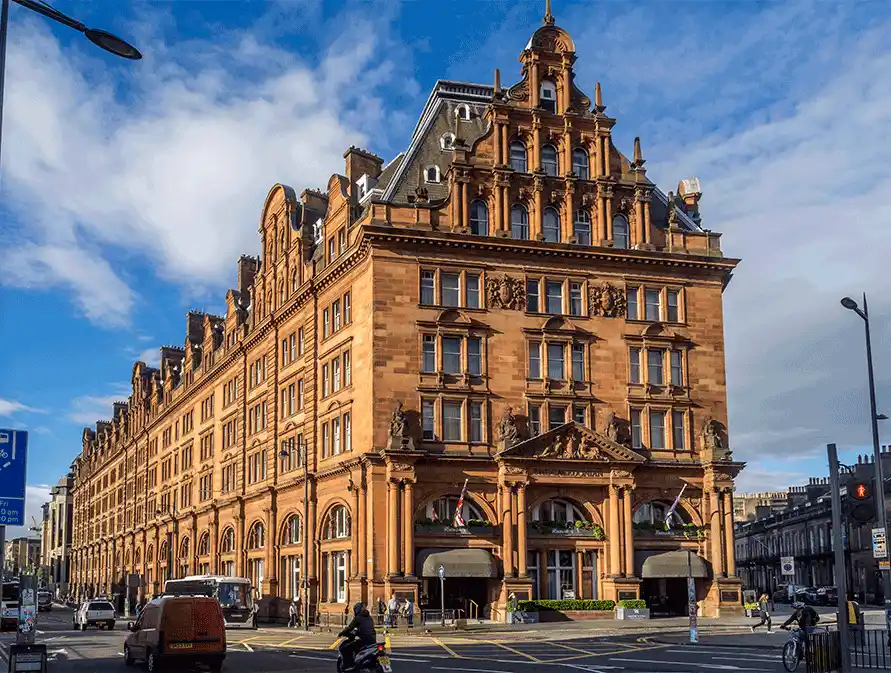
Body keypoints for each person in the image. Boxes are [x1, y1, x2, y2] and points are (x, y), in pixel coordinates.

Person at [337, 602, 377, 671]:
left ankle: (350, 665)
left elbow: (349, 628)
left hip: (364, 641)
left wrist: (341, 633)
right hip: (373, 641)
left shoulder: (358, 618)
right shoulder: (369, 618)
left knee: (345, 648)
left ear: (357, 610)